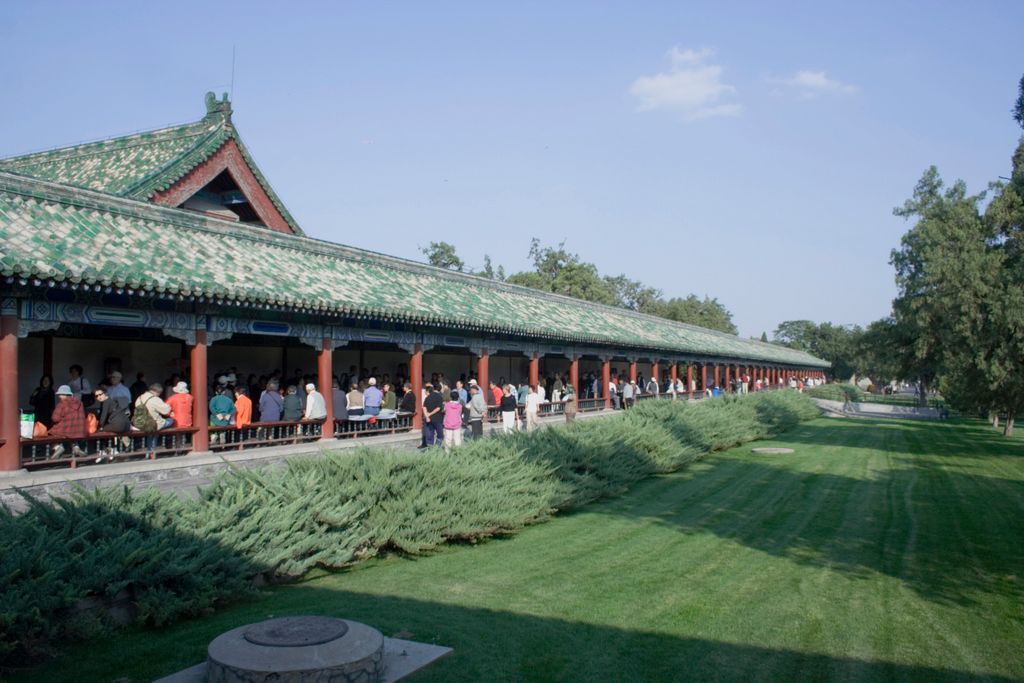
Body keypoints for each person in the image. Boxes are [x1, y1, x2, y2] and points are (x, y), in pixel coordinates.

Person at [135, 383, 174, 456]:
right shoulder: (155, 399)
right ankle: (166, 444)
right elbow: (166, 411)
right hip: (154, 424)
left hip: (141, 423)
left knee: (151, 432)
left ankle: (150, 452)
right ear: (157, 392)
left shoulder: (139, 397)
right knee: (171, 420)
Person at [49, 384, 87, 458]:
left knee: (51, 433)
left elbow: (55, 418)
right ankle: (76, 447)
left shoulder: (62, 404)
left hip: (66, 429)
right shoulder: (80, 403)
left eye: (60, 394)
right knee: (72, 434)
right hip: (79, 430)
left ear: (65, 395)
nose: (59, 396)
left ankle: (57, 447)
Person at [421, 383, 444, 448]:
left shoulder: (427, 397)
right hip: (437, 419)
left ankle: (430, 448)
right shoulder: (439, 397)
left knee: (430, 435)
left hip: (429, 419)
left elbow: (424, 407)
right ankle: (436, 448)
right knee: (440, 435)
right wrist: (430, 414)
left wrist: (427, 416)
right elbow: (438, 408)